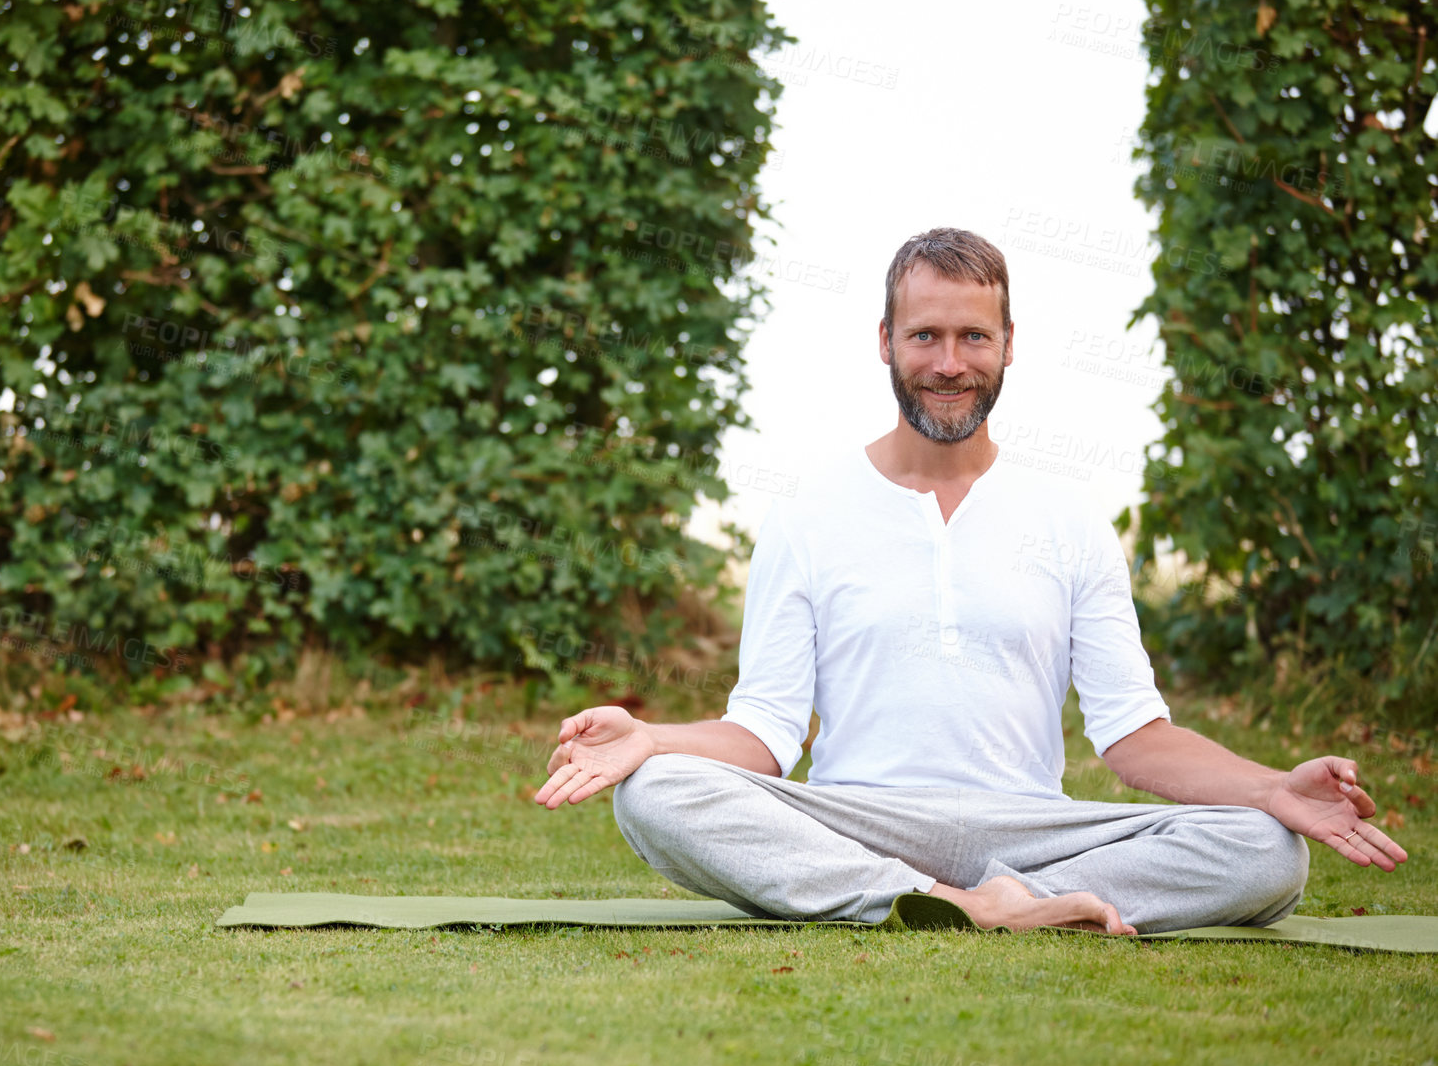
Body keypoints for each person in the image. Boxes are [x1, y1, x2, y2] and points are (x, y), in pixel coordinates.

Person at [533, 227, 1408, 936]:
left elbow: (1135, 740)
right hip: (859, 819)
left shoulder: (1069, 520)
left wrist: (1269, 788)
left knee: (1266, 849)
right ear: (885, 342)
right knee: (655, 792)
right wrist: (650, 737)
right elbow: (763, 735)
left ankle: (1000, 898)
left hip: (1030, 828)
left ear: (1007, 346)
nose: (949, 363)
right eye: (925, 336)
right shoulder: (808, 516)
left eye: (971, 337)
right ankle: (953, 906)